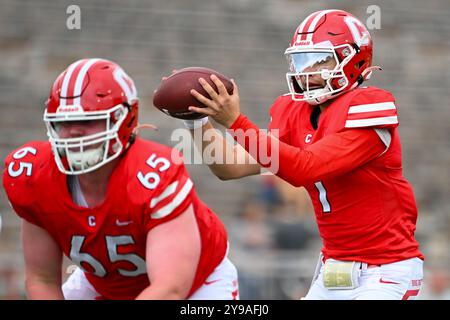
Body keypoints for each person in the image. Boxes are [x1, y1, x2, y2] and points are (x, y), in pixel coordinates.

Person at [180, 9, 424, 299]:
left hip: (384, 271)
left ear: (355, 58)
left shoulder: (368, 108)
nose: (306, 72)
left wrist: (235, 122)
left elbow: (305, 169)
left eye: (319, 60)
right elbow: (229, 167)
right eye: (301, 61)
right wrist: (196, 120)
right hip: (332, 268)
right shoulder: (296, 112)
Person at [2, 58, 239, 300]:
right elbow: (42, 279)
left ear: (124, 119)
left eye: (88, 121)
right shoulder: (34, 175)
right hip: (106, 283)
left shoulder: (153, 174)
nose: (74, 133)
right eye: (64, 122)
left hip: (198, 284)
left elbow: (169, 289)